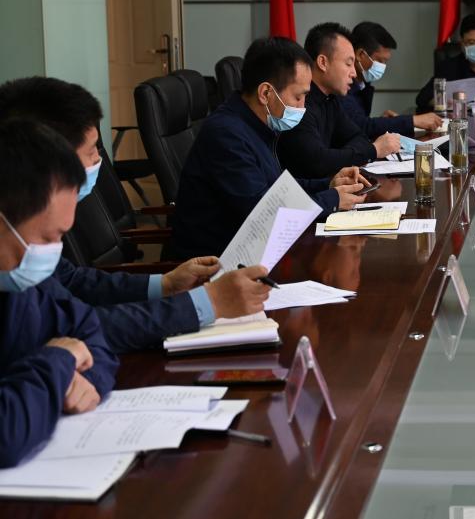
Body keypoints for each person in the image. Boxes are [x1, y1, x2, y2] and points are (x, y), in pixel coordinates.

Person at [0, 77, 270, 352]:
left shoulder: (27, 242)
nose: (99, 160)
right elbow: (78, 330)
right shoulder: (23, 234)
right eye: (91, 150)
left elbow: (71, 287)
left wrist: (165, 284)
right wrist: (208, 303)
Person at [173, 37, 369, 259]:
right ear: (266, 93)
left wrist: (329, 183)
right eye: (298, 97)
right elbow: (263, 214)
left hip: (256, 251)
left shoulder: (256, 123)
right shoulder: (226, 135)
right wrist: (332, 199)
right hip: (218, 264)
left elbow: (276, 190)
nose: (303, 107)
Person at [0, 119, 119, 466]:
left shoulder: (21, 278)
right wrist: (58, 364)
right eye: (48, 237)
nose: (54, 250)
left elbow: (92, 338)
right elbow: (5, 435)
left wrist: (73, 381)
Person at [279, 22, 402, 179]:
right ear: (323, 62)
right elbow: (317, 162)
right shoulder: (299, 103)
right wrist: (373, 150)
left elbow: (358, 137)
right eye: (348, 63)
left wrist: (341, 156)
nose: (353, 73)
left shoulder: (330, 99)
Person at [344, 21, 443, 136]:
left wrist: (384, 122)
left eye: (385, 62)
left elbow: (362, 124)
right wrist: (412, 121)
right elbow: (361, 126)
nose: (382, 67)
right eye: (379, 61)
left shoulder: (363, 84)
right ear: (360, 54)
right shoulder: (342, 85)